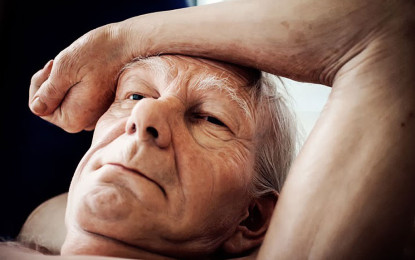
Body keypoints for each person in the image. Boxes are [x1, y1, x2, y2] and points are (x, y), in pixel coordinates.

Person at [3, 0, 415, 259]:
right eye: (134, 96)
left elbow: (393, 27)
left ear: (251, 219)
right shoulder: (39, 226)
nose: (144, 118)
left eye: (210, 118)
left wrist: (121, 39)